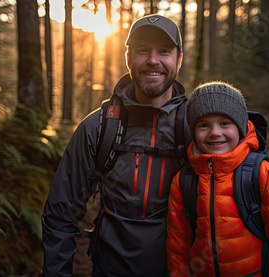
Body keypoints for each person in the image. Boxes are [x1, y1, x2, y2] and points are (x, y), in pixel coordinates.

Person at [42, 15, 190, 276]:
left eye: (164, 51)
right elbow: (60, 214)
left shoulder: (197, 127)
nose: (153, 60)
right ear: (128, 59)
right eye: (143, 50)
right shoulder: (98, 128)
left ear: (178, 59)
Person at [166, 82, 269, 276]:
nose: (215, 132)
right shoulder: (184, 180)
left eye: (225, 123)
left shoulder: (262, 174)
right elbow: (178, 244)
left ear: (240, 127)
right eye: (203, 125)